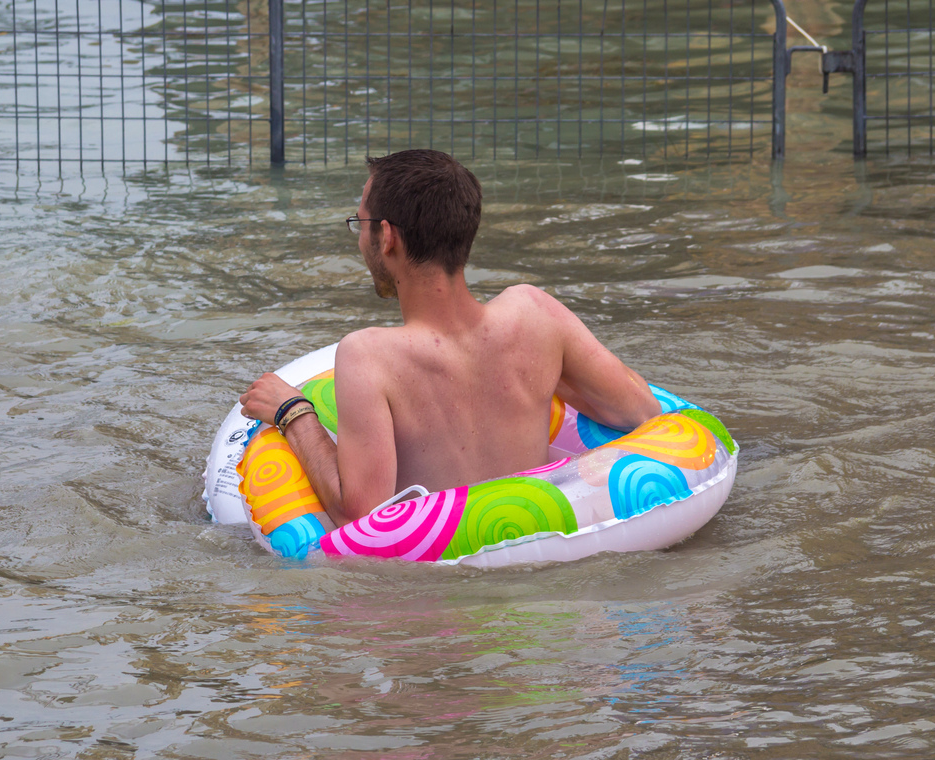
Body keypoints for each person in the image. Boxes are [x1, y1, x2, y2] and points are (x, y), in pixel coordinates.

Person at [240, 149, 660, 528]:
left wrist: (294, 413)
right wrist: (549, 369)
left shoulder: (369, 356)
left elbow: (360, 513)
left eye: (360, 224)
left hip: (432, 597)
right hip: (545, 576)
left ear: (387, 237)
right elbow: (640, 411)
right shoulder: (536, 316)